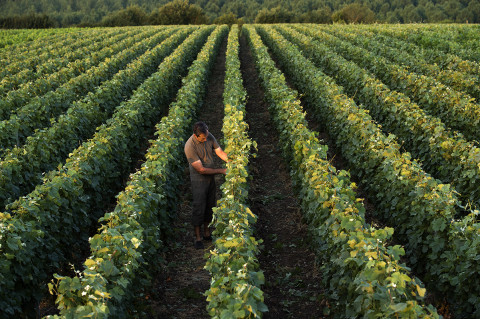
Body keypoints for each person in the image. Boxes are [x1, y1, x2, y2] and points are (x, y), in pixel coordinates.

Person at [184, 121, 228, 249]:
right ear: (195, 135)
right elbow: (201, 170)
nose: (205, 140)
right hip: (199, 180)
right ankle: (198, 237)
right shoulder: (189, 146)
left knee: (210, 204)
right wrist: (221, 171)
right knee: (199, 206)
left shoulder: (208, 135)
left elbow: (219, 151)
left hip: (210, 178)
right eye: (202, 138)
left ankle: (207, 232)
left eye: (206, 136)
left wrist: (232, 162)